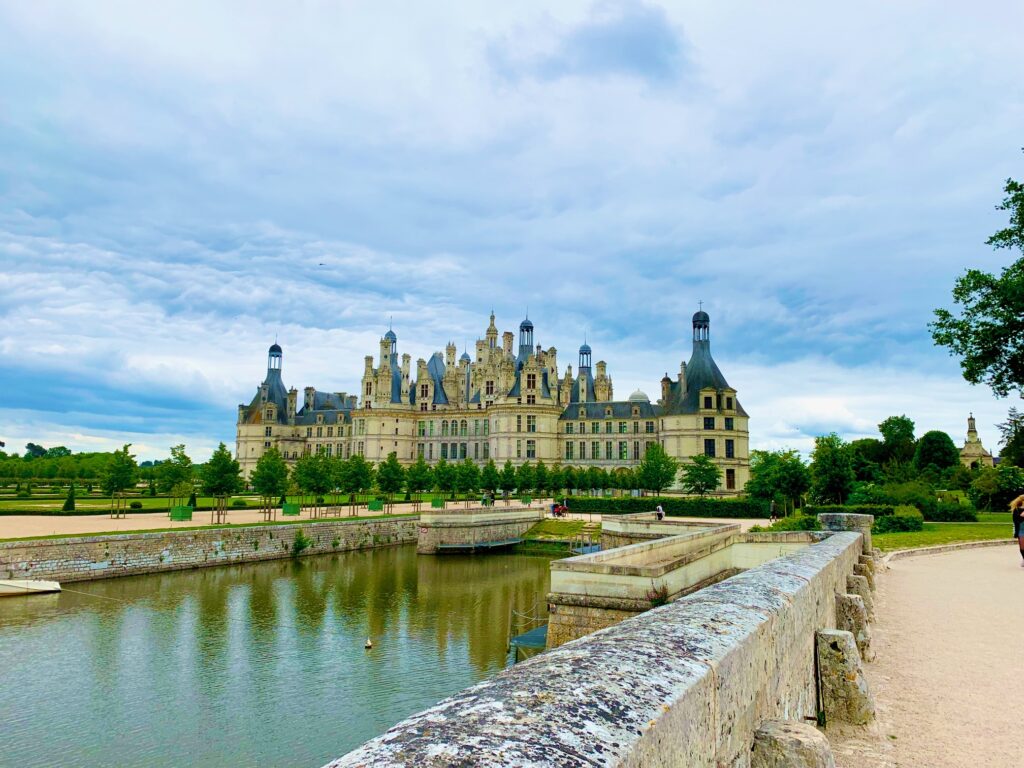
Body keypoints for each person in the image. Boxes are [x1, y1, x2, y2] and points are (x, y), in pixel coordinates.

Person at [1011, 495, 1024, 567]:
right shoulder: (1016, 510)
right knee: (1022, 547)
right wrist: (1022, 516)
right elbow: (1016, 521)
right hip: (1021, 530)